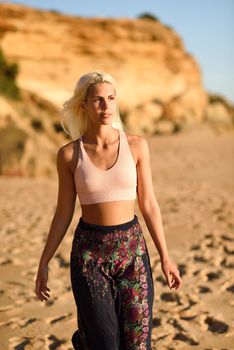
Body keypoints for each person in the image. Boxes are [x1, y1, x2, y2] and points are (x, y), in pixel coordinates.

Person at [34, 71, 182, 350]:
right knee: (104, 344)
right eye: (98, 100)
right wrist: (44, 261)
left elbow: (148, 202)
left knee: (138, 343)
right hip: (90, 255)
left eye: (111, 99)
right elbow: (63, 212)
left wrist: (165, 256)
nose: (106, 106)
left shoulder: (137, 146)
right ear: (84, 105)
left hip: (132, 252)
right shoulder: (69, 154)